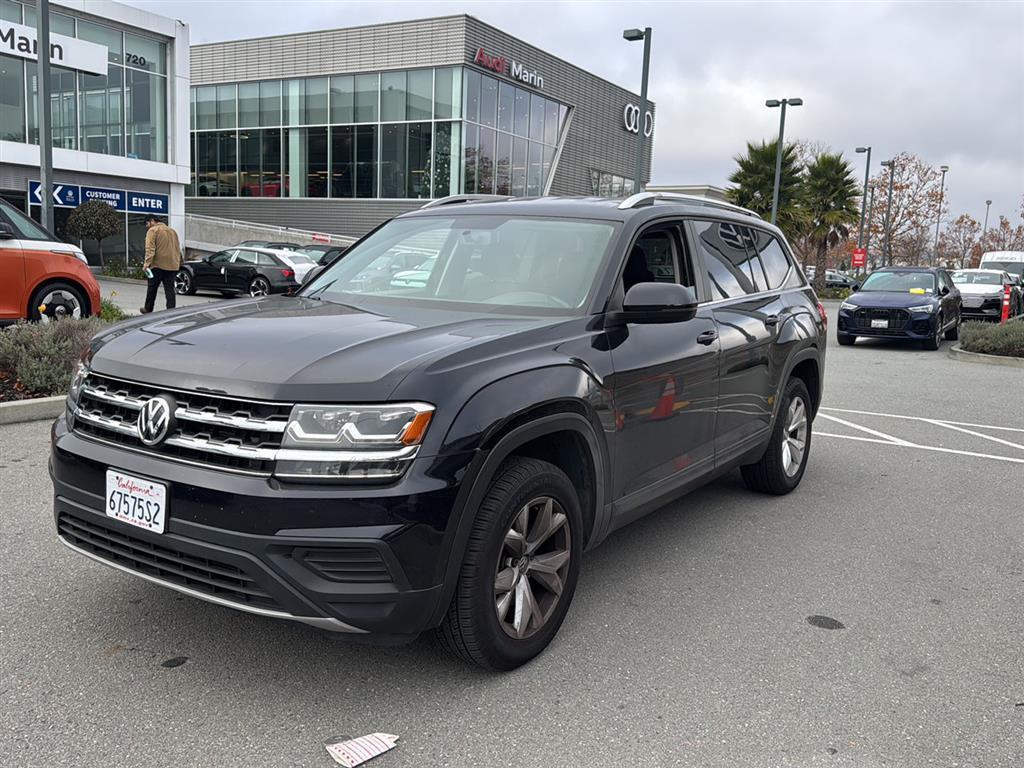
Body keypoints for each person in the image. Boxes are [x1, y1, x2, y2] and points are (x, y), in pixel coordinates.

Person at [140, 215, 182, 314]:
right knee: (170, 290)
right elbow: (177, 249)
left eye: (147, 224)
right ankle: (171, 311)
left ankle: (148, 309)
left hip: (157, 265)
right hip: (173, 266)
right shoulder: (173, 231)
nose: (147, 226)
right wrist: (178, 263)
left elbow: (150, 249)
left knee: (152, 288)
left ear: (152, 221)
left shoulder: (153, 230)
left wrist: (146, 264)